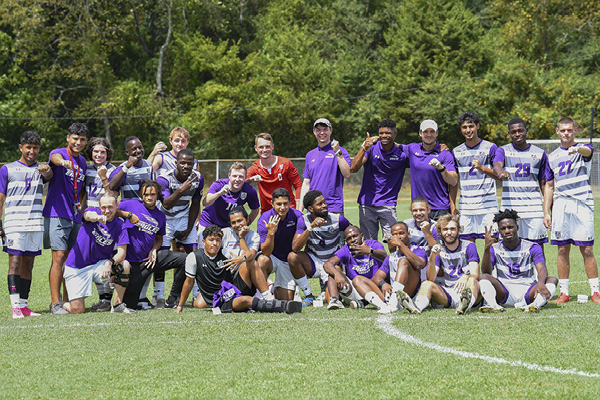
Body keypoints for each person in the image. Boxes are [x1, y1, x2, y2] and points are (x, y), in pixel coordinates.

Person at [174, 224, 301, 314]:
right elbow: (189, 282)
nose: (215, 243)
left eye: (218, 240)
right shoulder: (194, 257)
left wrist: (242, 258)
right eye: (211, 240)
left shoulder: (226, 253)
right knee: (199, 304)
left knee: (249, 261)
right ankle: (275, 302)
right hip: (220, 300)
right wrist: (180, 306)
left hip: (233, 290)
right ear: (203, 241)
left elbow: (250, 254)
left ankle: (273, 300)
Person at [544, 117, 599, 304]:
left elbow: (588, 150)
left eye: (570, 130)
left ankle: (595, 292)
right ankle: (564, 293)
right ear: (557, 132)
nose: (566, 133)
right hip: (561, 205)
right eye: (563, 130)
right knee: (561, 249)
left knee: (588, 250)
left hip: (582, 204)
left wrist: (576, 149)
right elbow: (549, 186)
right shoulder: (551, 158)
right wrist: (546, 212)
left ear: (575, 130)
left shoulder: (583, 150)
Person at [0, 131, 53, 318]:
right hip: (14, 224)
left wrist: (47, 170)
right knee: (14, 263)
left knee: (28, 265)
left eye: (35, 148)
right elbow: (1, 198)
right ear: (21, 147)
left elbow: (50, 174)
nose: (32, 151)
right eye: (28, 147)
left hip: (35, 225)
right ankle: (15, 307)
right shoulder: (7, 169)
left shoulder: (41, 169)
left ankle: (24, 306)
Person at [117, 180, 187, 310]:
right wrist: (128, 215)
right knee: (129, 304)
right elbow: (111, 211)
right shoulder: (130, 204)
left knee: (186, 259)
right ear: (141, 195)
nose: (149, 197)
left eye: (153, 194)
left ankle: (172, 298)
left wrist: (154, 250)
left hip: (148, 260)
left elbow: (159, 239)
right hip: (131, 263)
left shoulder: (160, 216)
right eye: (146, 194)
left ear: (157, 195)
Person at [61, 193, 134, 314]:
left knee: (124, 265)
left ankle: (117, 305)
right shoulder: (93, 212)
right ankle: (61, 304)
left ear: (117, 206)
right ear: (99, 207)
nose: (106, 210)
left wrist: (109, 263)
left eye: (110, 207)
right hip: (77, 266)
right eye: (103, 207)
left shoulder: (120, 226)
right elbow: (88, 215)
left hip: (98, 265)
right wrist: (98, 218)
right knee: (77, 309)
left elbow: (122, 252)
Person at [43, 122, 89, 315]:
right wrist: (62, 163)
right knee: (59, 257)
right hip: (57, 213)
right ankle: (56, 303)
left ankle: (68, 300)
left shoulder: (84, 161)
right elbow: (54, 158)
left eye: (82, 140)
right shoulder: (59, 152)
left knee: (71, 259)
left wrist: (82, 210)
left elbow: (82, 188)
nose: (78, 142)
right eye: (75, 138)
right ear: (68, 138)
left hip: (75, 215)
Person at [398, 214, 481, 315]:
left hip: (468, 290)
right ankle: (416, 308)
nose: (449, 233)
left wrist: (466, 276)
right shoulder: (438, 248)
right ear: (440, 232)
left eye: (452, 229)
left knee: (473, 280)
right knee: (426, 284)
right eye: (445, 229)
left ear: (459, 230)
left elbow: (475, 274)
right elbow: (431, 278)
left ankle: (464, 306)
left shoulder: (469, 246)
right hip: (449, 292)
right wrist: (433, 257)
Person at [479, 209, 558, 312]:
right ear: (499, 231)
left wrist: (540, 283)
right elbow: (486, 272)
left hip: (528, 291)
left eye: (510, 227)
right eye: (503, 228)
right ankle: (494, 306)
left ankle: (534, 305)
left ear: (517, 227)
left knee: (552, 279)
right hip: (504, 292)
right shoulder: (494, 248)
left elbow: (542, 268)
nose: (507, 231)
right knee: (482, 276)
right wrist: (486, 249)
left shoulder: (532, 247)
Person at [155, 149, 204, 306]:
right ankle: (159, 296)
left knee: (193, 256)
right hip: (165, 219)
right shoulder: (164, 178)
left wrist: (189, 229)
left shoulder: (198, 178)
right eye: (182, 162)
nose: (186, 166)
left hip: (184, 217)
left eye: (190, 163)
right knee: (161, 257)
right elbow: (167, 204)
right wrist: (181, 189)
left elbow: (195, 204)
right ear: (176, 163)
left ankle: (193, 294)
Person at [493, 118, 551, 246]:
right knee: (510, 248)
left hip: (534, 210)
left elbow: (544, 184)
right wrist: (500, 172)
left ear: (527, 131)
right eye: (513, 132)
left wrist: (547, 211)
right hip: (511, 210)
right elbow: (497, 164)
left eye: (520, 130)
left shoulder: (539, 153)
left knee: (536, 248)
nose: (517, 134)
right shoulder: (503, 150)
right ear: (509, 134)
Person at [288, 190, 350, 306]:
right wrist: (311, 227)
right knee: (292, 257)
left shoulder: (338, 219)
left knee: (330, 297)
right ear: (311, 209)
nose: (324, 205)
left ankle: (334, 293)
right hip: (314, 261)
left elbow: (353, 232)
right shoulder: (304, 220)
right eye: (320, 204)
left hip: (332, 263)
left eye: (324, 202)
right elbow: (295, 247)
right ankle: (309, 295)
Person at [350, 118, 409, 240]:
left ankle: (392, 260)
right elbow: (354, 168)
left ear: (395, 133)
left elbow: (421, 155)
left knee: (393, 241)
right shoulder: (371, 148)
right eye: (381, 133)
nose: (384, 136)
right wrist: (364, 148)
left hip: (388, 204)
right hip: (367, 203)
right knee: (369, 243)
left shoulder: (402, 155)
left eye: (388, 133)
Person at [451, 112, 499, 241]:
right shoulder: (456, 151)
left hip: (488, 206)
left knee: (492, 244)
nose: (468, 130)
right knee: (467, 247)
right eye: (464, 127)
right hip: (466, 208)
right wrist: (452, 205)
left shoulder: (491, 148)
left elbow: (498, 175)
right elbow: (453, 182)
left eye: (471, 126)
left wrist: (482, 168)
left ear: (477, 126)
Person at [322, 225, 388, 311]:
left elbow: (384, 256)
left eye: (355, 236)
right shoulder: (346, 250)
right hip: (355, 290)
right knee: (335, 269)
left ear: (362, 236)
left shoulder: (373, 244)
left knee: (358, 279)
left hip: (374, 288)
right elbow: (327, 264)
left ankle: (375, 303)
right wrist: (337, 274)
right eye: (349, 238)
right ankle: (334, 301)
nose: (353, 240)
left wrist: (369, 251)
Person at [404, 119, 458, 220]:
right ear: (420, 133)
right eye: (425, 132)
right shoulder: (412, 149)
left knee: (442, 236)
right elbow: (393, 147)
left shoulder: (445, 154)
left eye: (432, 131)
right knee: (420, 236)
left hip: (441, 209)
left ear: (437, 133)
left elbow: (454, 181)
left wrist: (441, 168)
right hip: (420, 208)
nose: (429, 135)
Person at [256, 188, 305, 300]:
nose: (282, 207)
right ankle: (263, 294)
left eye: (285, 204)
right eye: (279, 204)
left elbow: (299, 244)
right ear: (272, 204)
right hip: (271, 257)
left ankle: (273, 287)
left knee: (286, 299)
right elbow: (266, 252)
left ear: (289, 203)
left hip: (288, 259)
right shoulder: (264, 219)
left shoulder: (297, 216)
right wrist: (271, 233)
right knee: (262, 260)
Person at [299, 118, 351, 215]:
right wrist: (299, 210)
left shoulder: (341, 151)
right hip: (313, 209)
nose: (322, 133)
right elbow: (306, 184)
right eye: (318, 130)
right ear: (314, 132)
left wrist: (338, 153)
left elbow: (347, 174)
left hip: (333, 207)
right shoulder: (310, 155)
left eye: (325, 129)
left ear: (330, 131)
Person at [373, 222, 427, 311]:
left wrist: (400, 245)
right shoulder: (391, 256)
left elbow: (419, 265)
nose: (398, 237)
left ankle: (394, 302)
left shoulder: (418, 250)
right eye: (394, 235)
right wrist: (383, 284)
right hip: (393, 290)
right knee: (359, 279)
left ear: (408, 234)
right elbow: (377, 277)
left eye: (401, 233)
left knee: (403, 261)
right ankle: (376, 303)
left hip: (411, 294)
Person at [199, 162, 259, 237]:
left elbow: (255, 210)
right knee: (206, 248)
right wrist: (220, 193)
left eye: (241, 176)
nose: (237, 179)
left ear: (245, 177)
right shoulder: (219, 184)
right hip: (208, 222)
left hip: (229, 227)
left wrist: (244, 225)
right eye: (234, 176)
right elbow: (205, 203)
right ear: (229, 175)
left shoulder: (249, 190)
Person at [246, 133, 302, 213]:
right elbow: (240, 183)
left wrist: (298, 208)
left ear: (272, 147)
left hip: (288, 210)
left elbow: (298, 185)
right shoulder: (255, 168)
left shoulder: (286, 163)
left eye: (267, 146)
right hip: (268, 213)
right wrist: (250, 180)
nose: (264, 150)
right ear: (256, 148)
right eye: (261, 147)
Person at [108, 136, 154, 200]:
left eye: (140, 147)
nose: (138, 151)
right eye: (134, 149)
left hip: (145, 207)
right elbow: (112, 186)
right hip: (129, 207)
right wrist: (126, 167)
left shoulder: (148, 165)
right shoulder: (122, 168)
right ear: (127, 152)